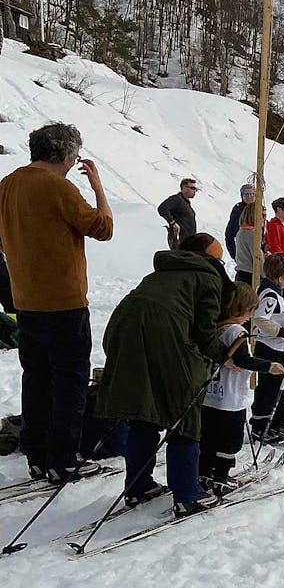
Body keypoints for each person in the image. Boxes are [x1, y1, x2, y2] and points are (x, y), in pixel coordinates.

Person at [0, 123, 113, 482]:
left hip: (25, 299)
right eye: (74, 155)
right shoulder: (59, 186)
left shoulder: (8, 184)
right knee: (70, 381)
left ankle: (37, 452)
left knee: (35, 377)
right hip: (63, 301)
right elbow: (103, 228)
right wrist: (97, 187)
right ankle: (62, 457)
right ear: (64, 154)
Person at [96, 233, 231, 516]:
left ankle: (138, 486)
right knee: (184, 410)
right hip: (164, 333)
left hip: (123, 328)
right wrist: (227, 354)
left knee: (143, 412)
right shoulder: (207, 277)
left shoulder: (164, 271)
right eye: (218, 258)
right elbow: (205, 333)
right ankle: (187, 493)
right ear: (208, 259)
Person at [200, 283, 284, 495]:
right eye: (249, 311)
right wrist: (269, 366)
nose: (251, 316)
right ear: (238, 309)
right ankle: (221, 476)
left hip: (209, 396)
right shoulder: (236, 332)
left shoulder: (212, 330)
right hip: (230, 399)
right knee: (230, 440)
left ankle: (203, 473)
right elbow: (243, 360)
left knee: (209, 438)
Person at [249, 253, 284, 443]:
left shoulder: (275, 291)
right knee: (268, 387)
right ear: (280, 278)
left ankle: (277, 420)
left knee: (282, 385)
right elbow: (260, 319)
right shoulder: (269, 294)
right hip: (268, 347)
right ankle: (260, 425)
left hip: (278, 347)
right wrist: (279, 332)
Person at [158, 178, 198, 249]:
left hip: (187, 242)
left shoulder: (185, 202)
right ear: (184, 188)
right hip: (179, 241)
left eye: (196, 189)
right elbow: (162, 208)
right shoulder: (177, 199)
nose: (195, 191)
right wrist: (173, 223)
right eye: (192, 188)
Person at [233, 204, 263, 285]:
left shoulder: (242, 231)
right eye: (262, 215)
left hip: (242, 274)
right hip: (250, 276)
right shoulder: (251, 234)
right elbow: (257, 257)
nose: (264, 219)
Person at [224, 184, 256, 260]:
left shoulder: (259, 209)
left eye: (252, 194)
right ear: (242, 196)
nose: (249, 196)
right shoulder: (238, 211)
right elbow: (229, 235)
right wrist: (235, 255)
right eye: (246, 194)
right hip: (244, 252)